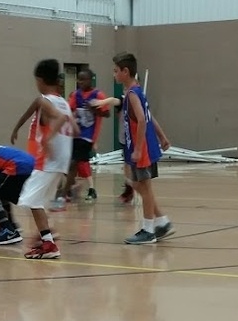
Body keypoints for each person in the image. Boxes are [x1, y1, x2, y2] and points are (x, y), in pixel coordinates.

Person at [109, 52, 172, 244]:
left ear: (125, 72)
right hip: (143, 147)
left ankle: (148, 230)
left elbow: (144, 120)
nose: (114, 74)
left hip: (141, 149)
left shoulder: (132, 94)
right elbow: (149, 117)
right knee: (138, 185)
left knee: (144, 188)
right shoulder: (136, 91)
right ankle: (161, 221)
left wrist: (137, 149)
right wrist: (162, 136)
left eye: (116, 71)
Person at [20, 59, 77, 260]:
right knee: (38, 202)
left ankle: (48, 243)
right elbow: (75, 129)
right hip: (61, 162)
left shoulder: (47, 102)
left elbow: (60, 121)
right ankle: (45, 235)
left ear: (39, 80)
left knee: (30, 200)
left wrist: (47, 139)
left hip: (48, 160)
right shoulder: (64, 103)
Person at [61, 69, 110, 204]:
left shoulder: (98, 95)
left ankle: (64, 193)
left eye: (83, 79)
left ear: (90, 80)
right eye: (79, 80)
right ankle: (79, 188)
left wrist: (94, 109)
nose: (80, 82)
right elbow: (68, 111)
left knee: (75, 162)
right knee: (75, 163)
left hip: (88, 136)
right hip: (75, 134)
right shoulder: (76, 95)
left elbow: (107, 114)